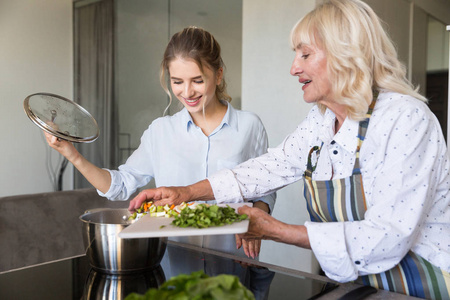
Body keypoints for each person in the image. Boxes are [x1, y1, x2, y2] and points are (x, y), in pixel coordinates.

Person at [128, 1, 450, 299]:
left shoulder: (404, 119)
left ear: (346, 55)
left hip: (418, 287)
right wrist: (185, 193)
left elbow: (388, 237)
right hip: (355, 286)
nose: (293, 68)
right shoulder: (321, 121)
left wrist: (275, 230)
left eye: (305, 55)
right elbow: (270, 167)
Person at [45, 26, 275, 261]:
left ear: (218, 75)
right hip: (174, 261)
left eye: (197, 80)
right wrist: (71, 154)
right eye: (177, 81)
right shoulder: (160, 131)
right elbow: (119, 186)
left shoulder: (249, 126)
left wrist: (257, 218)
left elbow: (265, 191)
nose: (187, 92)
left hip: (235, 258)